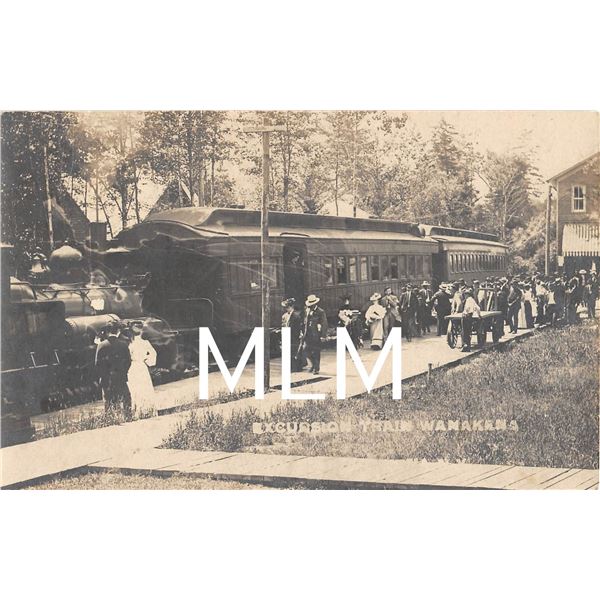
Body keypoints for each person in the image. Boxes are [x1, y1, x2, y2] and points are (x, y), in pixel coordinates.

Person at [95, 322, 132, 419]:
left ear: (107, 332)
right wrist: (123, 372)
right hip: (120, 378)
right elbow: (128, 361)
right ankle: (128, 418)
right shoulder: (123, 345)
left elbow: (98, 364)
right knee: (126, 399)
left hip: (106, 379)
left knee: (108, 401)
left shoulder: (101, 345)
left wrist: (104, 375)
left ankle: (110, 420)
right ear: (118, 331)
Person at [125, 322, 157, 416]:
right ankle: (147, 410)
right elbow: (154, 354)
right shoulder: (145, 343)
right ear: (141, 331)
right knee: (144, 388)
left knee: (134, 389)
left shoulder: (130, 344)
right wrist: (148, 362)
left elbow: (127, 357)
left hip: (133, 367)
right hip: (142, 367)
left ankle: (136, 412)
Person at [301, 294, 328, 375]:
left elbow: (324, 324)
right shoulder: (307, 310)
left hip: (316, 335)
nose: (310, 306)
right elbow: (305, 322)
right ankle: (313, 364)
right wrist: (302, 332)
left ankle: (316, 368)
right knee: (305, 351)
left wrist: (323, 335)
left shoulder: (320, 312)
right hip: (308, 334)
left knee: (316, 352)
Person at [281, 298, 304, 370]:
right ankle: (291, 366)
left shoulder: (296, 316)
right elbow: (283, 325)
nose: (286, 309)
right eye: (286, 308)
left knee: (295, 351)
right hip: (287, 335)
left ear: (291, 307)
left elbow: (299, 326)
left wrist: (299, 334)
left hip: (294, 335)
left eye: (288, 307)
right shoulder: (284, 316)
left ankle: (297, 367)